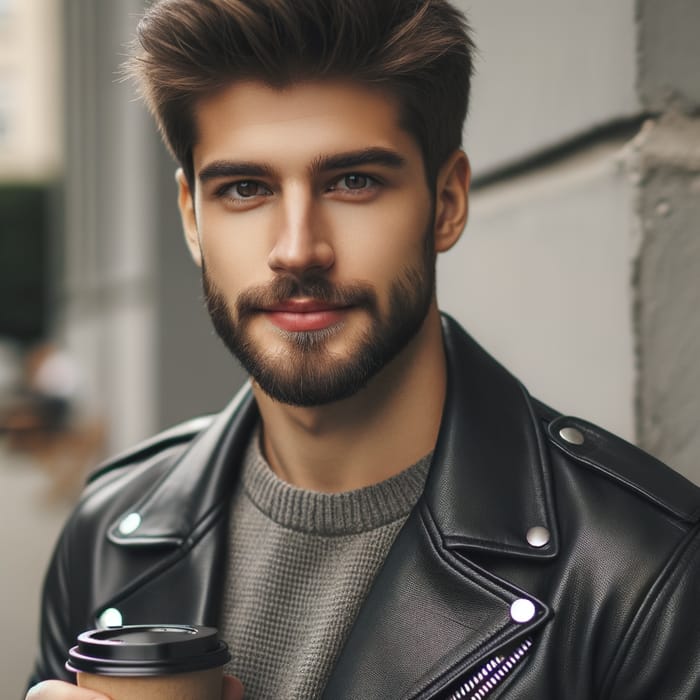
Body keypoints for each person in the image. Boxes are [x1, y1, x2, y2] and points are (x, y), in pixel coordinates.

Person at [26, 1, 700, 698]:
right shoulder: (109, 534)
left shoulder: (644, 571)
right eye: (245, 189)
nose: (297, 250)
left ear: (446, 202)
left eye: (353, 182)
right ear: (193, 218)